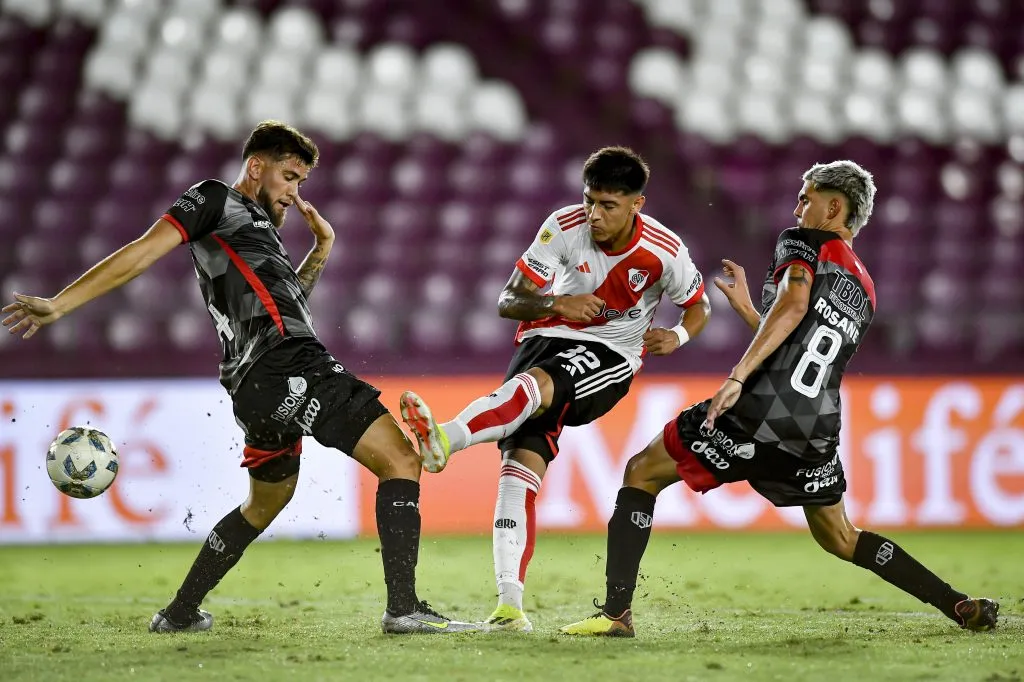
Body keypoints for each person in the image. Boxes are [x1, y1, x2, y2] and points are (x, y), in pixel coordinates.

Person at [2, 120, 476, 635]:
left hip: (256, 385)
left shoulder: (256, 232)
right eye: (290, 177)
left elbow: (287, 304)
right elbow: (142, 252)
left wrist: (321, 249)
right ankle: (403, 609)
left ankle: (180, 611)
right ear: (256, 166)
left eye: (301, 183)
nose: (295, 194)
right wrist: (59, 304)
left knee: (266, 500)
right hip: (289, 365)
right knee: (403, 459)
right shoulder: (215, 200)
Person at [559, 160, 999, 637]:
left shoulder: (803, 241)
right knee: (841, 537)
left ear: (834, 206)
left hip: (760, 410)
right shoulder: (865, 287)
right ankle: (956, 603)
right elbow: (802, 340)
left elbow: (791, 308)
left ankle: (617, 614)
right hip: (816, 425)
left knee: (641, 472)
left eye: (806, 198)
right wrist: (751, 311)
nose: (797, 207)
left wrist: (737, 376)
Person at [398, 146, 711, 632]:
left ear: (637, 205)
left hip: (611, 354)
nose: (594, 214)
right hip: (544, 338)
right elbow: (509, 300)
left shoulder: (664, 251)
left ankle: (447, 438)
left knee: (534, 386)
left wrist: (679, 335)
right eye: (589, 200)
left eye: (608, 205)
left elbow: (699, 306)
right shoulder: (563, 227)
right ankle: (509, 608)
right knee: (516, 469)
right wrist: (558, 303)